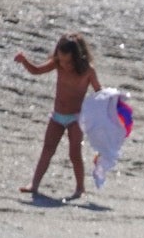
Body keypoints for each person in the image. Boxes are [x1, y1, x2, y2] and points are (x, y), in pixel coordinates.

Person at [16, 33, 101, 198]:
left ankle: (80, 187)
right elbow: (37, 70)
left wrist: (108, 108)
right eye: (61, 60)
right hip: (57, 116)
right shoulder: (57, 64)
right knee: (47, 149)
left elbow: (99, 92)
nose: (64, 64)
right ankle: (34, 184)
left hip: (76, 117)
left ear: (77, 57)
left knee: (74, 153)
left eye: (68, 61)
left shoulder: (88, 71)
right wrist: (24, 61)